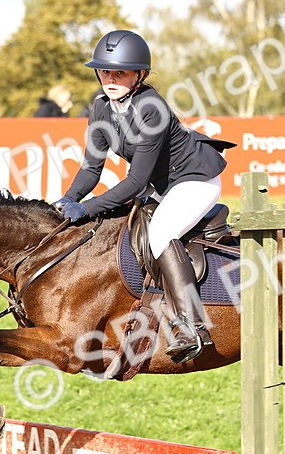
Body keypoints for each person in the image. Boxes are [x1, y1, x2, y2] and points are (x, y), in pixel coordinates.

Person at [52, 30, 232, 363]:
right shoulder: (101, 107)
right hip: (158, 183)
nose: (110, 79)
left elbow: (135, 182)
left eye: (120, 72)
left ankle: (191, 325)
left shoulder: (152, 109)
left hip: (194, 180)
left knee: (161, 231)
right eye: (105, 71)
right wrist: (68, 199)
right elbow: (91, 168)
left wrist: (87, 208)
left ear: (140, 75)